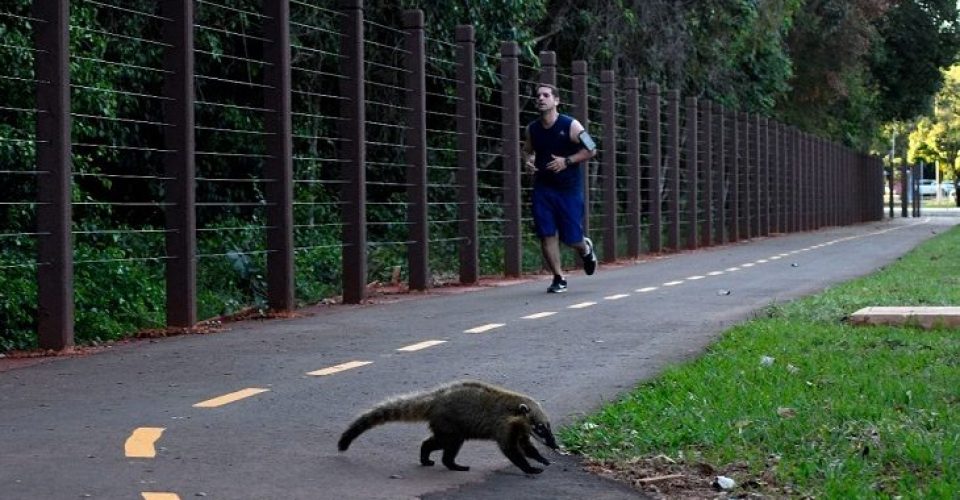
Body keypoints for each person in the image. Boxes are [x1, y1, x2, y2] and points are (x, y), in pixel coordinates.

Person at [524, 83, 598, 293]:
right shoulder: (532, 129)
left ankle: (585, 249)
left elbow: (591, 149)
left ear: (556, 100)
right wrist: (528, 162)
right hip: (543, 188)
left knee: (571, 238)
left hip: (568, 189)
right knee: (546, 233)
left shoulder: (571, 125)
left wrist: (567, 161)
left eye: (546, 95)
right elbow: (527, 150)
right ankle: (558, 277)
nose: (541, 98)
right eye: (538, 95)